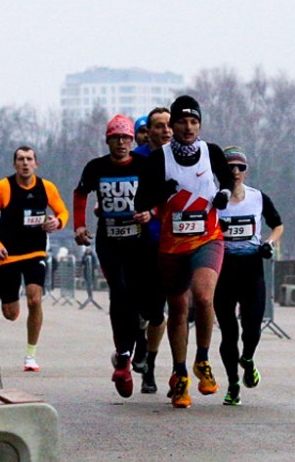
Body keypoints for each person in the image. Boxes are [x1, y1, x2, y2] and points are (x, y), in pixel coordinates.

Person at [137, 94, 234, 408]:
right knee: (177, 310)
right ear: (173, 125)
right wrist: (160, 194)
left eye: (194, 121)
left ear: (200, 124)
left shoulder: (212, 152)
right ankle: (180, 375)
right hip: (172, 244)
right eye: (182, 121)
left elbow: (230, 183)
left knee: (204, 297)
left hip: (208, 238)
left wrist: (223, 195)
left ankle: (202, 359)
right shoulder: (158, 159)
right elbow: (141, 202)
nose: (189, 127)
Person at [74, 115, 160, 397]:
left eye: (126, 138)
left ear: (132, 141)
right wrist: (79, 225)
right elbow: (80, 193)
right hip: (109, 241)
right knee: (119, 295)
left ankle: (140, 343)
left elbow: (162, 197)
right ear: (108, 140)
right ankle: (123, 359)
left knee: (144, 305)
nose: (121, 143)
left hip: (139, 243)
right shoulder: (96, 167)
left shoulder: (143, 165)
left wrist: (152, 212)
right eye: (116, 138)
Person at [0, 147, 69, 372]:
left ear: (36, 164)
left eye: (29, 159)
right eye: (21, 159)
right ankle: (11, 305)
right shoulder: (3, 187)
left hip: (35, 252)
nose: (25, 163)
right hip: (8, 254)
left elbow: (63, 212)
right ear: (14, 164)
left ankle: (31, 356)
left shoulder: (46, 187)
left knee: (34, 299)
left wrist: (57, 223)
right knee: (10, 314)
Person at [213, 146, 283, 405]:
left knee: (252, 327)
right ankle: (232, 384)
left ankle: (249, 358)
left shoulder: (257, 197)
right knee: (228, 333)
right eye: (230, 167)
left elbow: (278, 224)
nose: (235, 172)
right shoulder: (215, 199)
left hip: (252, 266)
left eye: (240, 167)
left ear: (246, 170)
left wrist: (269, 243)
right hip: (224, 268)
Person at [129, 106, 173, 391]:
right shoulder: (136, 160)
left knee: (159, 312)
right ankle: (138, 345)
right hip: (138, 240)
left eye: (168, 125)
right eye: (155, 127)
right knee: (136, 307)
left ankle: (150, 366)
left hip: (169, 240)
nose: (164, 131)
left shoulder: (183, 158)